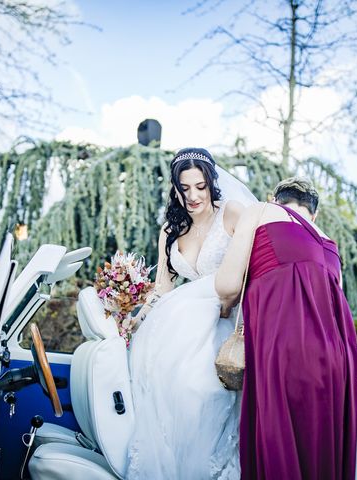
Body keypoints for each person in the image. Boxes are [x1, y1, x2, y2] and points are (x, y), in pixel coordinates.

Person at [216, 177, 357, 480]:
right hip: (341, 359)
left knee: (280, 444)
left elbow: (227, 284)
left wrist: (226, 308)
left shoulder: (259, 211)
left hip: (287, 347)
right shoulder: (329, 245)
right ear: (314, 213)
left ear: (274, 198)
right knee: (320, 451)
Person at [125, 147, 256, 479]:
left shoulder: (232, 214)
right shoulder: (171, 229)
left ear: (212, 182)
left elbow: (255, 266)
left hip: (224, 326)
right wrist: (133, 320)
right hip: (182, 329)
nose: (193, 195)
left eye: (200, 186)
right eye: (185, 188)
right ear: (175, 189)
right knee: (165, 395)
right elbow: (163, 289)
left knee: (202, 395)